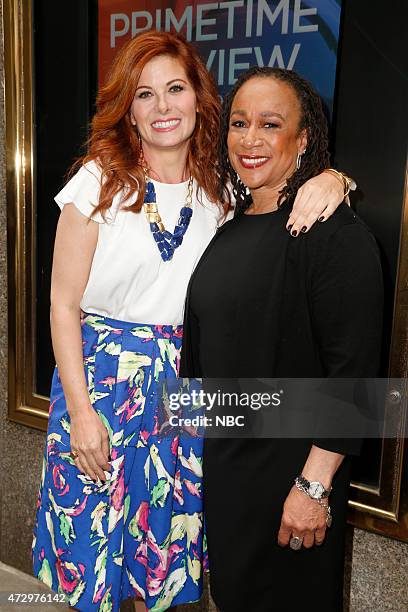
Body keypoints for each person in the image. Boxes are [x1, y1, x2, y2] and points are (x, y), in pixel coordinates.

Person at [32, 30, 349, 612]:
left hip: (190, 393)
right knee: (92, 562)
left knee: (166, 562)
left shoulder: (222, 188)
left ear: (198, 97)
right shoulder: (96, 182)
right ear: (127, 107)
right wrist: (79, 411)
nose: (162, 107)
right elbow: (62, 305)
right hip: (101, 388)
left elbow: (290, 184)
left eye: (174, 89)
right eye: (144, 94)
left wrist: (337, 178)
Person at [180, 67, 383, 611]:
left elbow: (357, 377)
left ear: (305, 138)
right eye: (240, 123)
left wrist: (313, 487)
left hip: (293, 481)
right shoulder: (231, 223)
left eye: (271, 124)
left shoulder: (332, 232)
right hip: (230, 474)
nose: (250, 139)